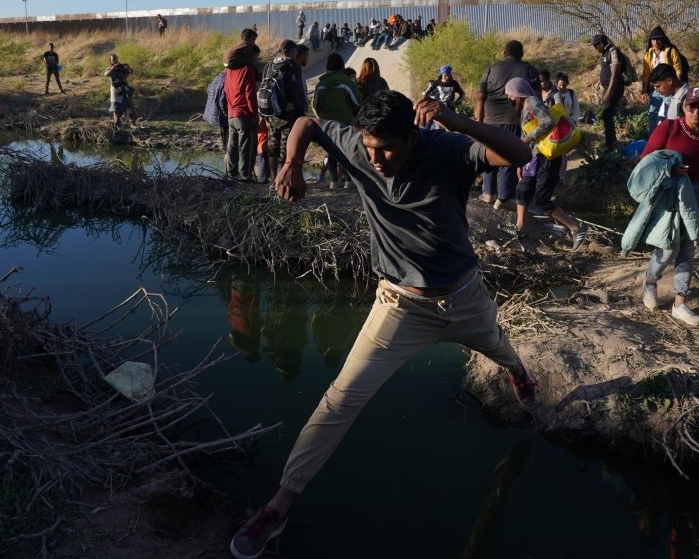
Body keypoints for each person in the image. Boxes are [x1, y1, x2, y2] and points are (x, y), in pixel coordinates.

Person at [228, 90, 539, 559]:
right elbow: (305, 123)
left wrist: (454, 119)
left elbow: (520, 153)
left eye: (386, 150)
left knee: (496, 345)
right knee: (339, 399)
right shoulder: (359, 146)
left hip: (463, 296)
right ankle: (279, 506)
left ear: (414, 137)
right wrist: (292, 162)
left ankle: (516, 370)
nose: (375, 159)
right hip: (399, 306)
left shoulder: (447, 149)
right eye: (369, 148)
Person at [637, 86, 699, 325]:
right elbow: (646, 160)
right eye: (691, 106)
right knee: (666, 247)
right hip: (669, 192)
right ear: (684, 106)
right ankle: (651, 281)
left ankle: (680, 302)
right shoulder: (669, 127)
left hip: (696, 193)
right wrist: (670, 170)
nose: (696, 111)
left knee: (688, 248)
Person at [503, 77, 588, 249]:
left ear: (518, 92)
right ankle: (519, 227)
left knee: (542, 200)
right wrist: (520, 161)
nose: (510, 99)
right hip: (532, 157)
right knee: (522, 189)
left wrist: (528, 139)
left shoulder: (531, 101)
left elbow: (548, 122)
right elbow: (525, 133)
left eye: (510, 95)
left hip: (545, 159)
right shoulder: (525, 106)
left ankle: (576, 228)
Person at [476, 40, 538, 208]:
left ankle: (488, 193)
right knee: (508, 157)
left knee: (489, 155)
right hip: (515, 121)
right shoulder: (529, 70)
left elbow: (481, 98)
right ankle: (503, 197)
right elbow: (535, 98)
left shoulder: (491, 69)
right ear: (522, 54)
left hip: (490, 120)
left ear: (504, 53)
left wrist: (478, 121)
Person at [311, 53, 360, 188]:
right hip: (346, 122)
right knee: (347, 150)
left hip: (326, 123)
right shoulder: (347, 83)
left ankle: (334, 181)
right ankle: (349, 180)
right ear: (342, 66)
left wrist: (322, 116)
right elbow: (357, 102)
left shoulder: (320, 84)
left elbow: (315, 105)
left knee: (331, 151)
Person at [263, 40, 308, 168]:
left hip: (271, 112)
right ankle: (282, 177)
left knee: (272, 146)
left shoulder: (269, 64)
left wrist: (264, 111)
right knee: (286, 146)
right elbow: (297, 89)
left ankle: (273, 178)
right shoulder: (293, 64)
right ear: (293, 51)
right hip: (288, 112)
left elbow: (263, 87)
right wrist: (301, 112)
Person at [224, 29, 261, 181]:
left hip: (231, 114)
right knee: (246, 147)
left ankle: (232, 174)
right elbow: (250, 94)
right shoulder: (247, 70)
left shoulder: (228, 72)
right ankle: (245, 176)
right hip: (245, 114)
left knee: (232, 146)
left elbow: (226, 91)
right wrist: (255, 113)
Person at [591, 33, 630, 150]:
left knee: (607, 114)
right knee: (607, 115)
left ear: (601, 44)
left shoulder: (613, 52)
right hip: (609, 89)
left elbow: (615, 74)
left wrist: (608, 92)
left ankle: (611, 144)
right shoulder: (605, 53)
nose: (595, 48)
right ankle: (611, 142)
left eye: (596, 46)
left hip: (614, 88)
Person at [105, 53, 135, 125]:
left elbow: (131, 72)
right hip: (116, 91)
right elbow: (106, 74)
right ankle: (117, 124)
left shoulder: (121, 68)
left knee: (130, 107)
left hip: (124, 89)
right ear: (110, 61)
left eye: (116, 59)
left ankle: (133, 123)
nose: (115, 60)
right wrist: (113, 68)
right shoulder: (109, 69)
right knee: (117, 109)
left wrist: (128, 67)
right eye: (113, 59)